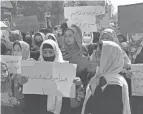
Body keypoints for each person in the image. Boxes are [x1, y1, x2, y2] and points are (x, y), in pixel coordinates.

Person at [82, 41, 131, 114]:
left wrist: (95, 90)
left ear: (109, 57)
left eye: (99, 54)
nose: (96, 57)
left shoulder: (115, 83)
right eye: (96, 53)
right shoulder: (99, 76)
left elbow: (106, 109)